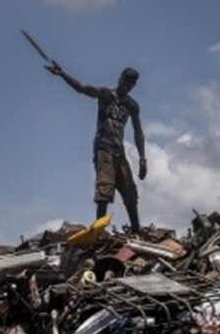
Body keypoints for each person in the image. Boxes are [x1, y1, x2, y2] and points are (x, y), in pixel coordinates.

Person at [46, 62, 147, 233]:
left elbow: (138, 132)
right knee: (105, 187)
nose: (127, 86)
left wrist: (142, 159)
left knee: (130, 190)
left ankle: (136, 230)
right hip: (103, 147)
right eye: (126, 81)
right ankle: (99, 230)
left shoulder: (132, 105)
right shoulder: (105, 94)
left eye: (131, 84)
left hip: (119, 150)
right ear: (120, 79)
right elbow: (82, 88)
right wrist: (62, 74)